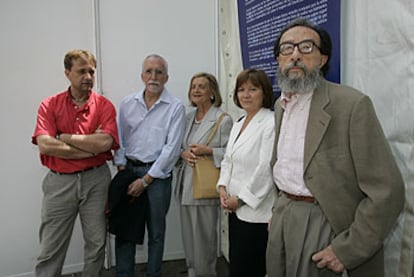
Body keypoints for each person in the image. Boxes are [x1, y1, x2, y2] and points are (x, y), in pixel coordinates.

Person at [266, 18, 405, 277]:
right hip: (283, 216)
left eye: (306, 47)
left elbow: (388, 191)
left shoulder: (351, 105)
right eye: (287, 48)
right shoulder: (279, 106)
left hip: (326, 224)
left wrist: (348, 250)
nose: (295, 55)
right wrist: (279, 211)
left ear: (322, 59)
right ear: (278, 60)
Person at [32, 49, 120, 277]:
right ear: (67, 73)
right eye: (81, 71)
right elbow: (45, 145)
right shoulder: (49, 105)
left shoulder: (104, 106)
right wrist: (90, 148)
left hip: (96, 181)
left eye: (91, 71)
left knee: (97, 243)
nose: (88, 77)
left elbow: (105, 143)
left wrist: (63, 137)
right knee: (51, 248)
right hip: (59, 183)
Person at [114, 54, 186, 277]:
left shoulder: (175, 107)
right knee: (125, 230)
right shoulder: (127, 103)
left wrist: (146, 180)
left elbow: (171, 149)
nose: (153, 76)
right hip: (128, 170)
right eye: (149, 71)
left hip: (158, 178)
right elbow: (119, 139)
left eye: (159, 72)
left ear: (166, 77)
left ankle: (153, 274)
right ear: (142, 75)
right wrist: (122, 167)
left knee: (156, 232)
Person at [217, 68, 275, 277]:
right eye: (241, 90)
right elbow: (227, 159)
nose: (246, 95)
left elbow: (266, 168)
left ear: (264, 92)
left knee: (251, 268)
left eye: (253, 89)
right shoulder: (239, 122)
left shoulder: (270, 122)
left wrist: (241, 200)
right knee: (238, 265)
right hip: (233, 208)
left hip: (255, 211)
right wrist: (222, 187)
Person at [175, 72, 233, 277]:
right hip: (185, 187)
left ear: (212, 92)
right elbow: (179, 146)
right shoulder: (188, 116)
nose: (196, 90)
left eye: (201, 86)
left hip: (205, 189)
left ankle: (206, 273)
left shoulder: (222, 120)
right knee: (190, 239)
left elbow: (232, 154)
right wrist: (183, 153)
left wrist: (208, 151)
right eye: (193, 87)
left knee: (204, 240)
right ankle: (193, 273)